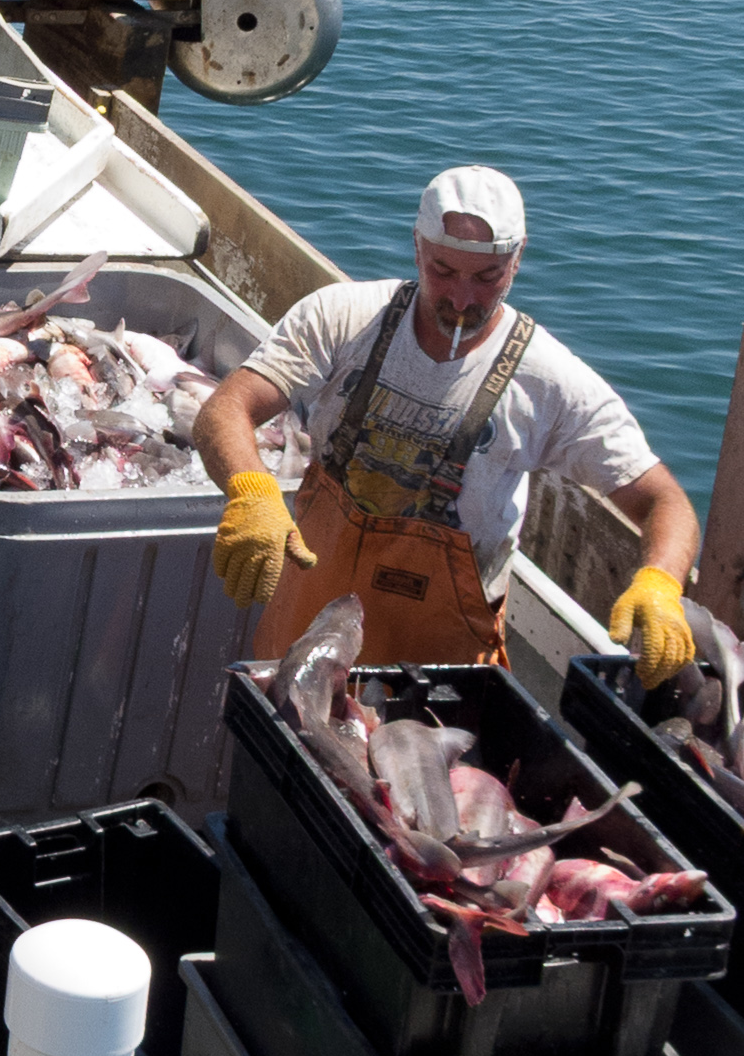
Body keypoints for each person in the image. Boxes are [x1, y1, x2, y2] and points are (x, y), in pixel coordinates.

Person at [196, 165, 699, 682]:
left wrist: (660, 581)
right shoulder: (343, 318)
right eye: (443, 271)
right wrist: (250, 490)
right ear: (417, 247)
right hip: (305, 634)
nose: (462, 301)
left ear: (517, 260)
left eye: (486, 278)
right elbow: (227, 408)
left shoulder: (550, 381)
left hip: (441, 666)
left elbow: (665, 501)